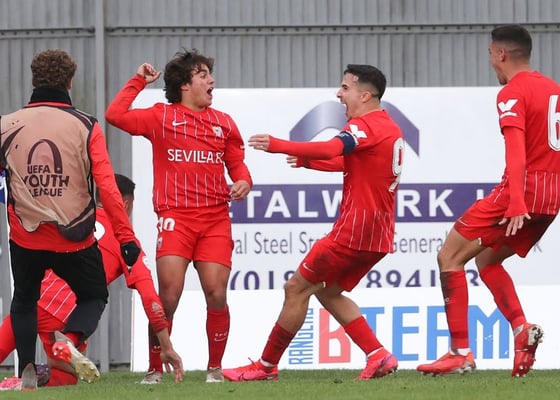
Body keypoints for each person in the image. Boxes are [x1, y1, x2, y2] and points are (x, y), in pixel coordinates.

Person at [222, 64, 405, 381]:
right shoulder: (387, 126)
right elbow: (353, 163)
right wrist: (309, 163)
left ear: (364, 95)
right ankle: (378, 355)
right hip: (379, 233)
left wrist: (279, 144)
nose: (339, 94)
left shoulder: (364, 125)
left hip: (354, 230)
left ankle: (266, 366)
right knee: (327, 290)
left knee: (296, 288)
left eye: (345, 88)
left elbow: (332, 147)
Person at [416, 24, 560, 377]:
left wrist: (516, 201)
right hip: (551, 197)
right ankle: (521, 330)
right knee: (486, 259)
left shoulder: (512, 92)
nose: (491, 62)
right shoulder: (553, 89)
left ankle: (459, 353)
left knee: (449, 257)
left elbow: (516, 151)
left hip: (521, 193)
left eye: (490, 55)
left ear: (501, 54)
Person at [105, 48, 253, 383]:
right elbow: (115, 115)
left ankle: (214, 369)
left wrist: (244, 180)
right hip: (176, 218)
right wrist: (138, 81)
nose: (211, 80)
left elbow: (237, 163)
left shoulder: (224, 123)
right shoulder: (160, 117)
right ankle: (154, 368)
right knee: (168, 295)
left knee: (216, 293)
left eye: (209, 74)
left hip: (215, 218)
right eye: (203, 75)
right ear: (185, 85)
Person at [0, 49, 143, 390]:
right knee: (94, 295)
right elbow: (107, 187)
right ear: (70, 82)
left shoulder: (5, 125)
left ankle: (28, 369)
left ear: (34, 80)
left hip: (25, 237)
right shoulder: (86, 124)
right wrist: (125, 237)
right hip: (74, 239)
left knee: (24, 300)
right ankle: (71, 338)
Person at [0, 174, 184, 390]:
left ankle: (28, 377)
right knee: (65, 375)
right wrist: (166, 346)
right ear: (125, 204)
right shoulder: (126, 241)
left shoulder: (72, 218)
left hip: (34, 298)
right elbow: (149, 296)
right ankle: (53, 361)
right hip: (69, 314)